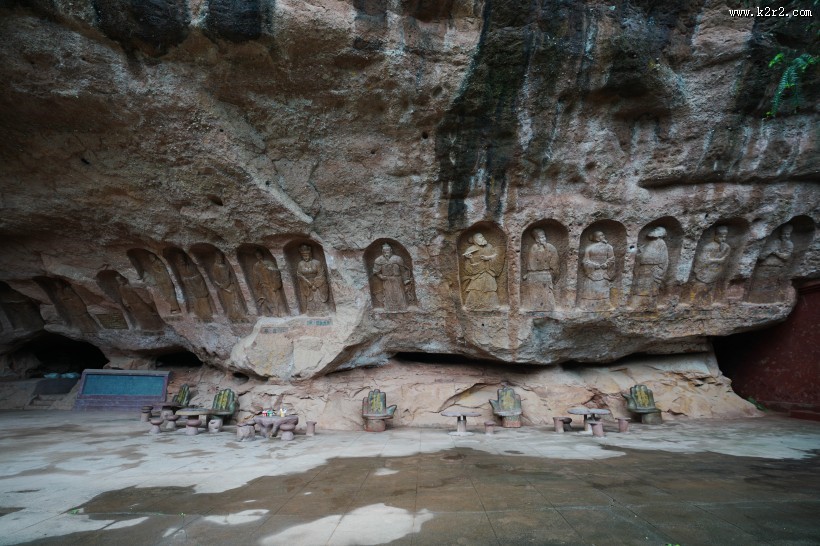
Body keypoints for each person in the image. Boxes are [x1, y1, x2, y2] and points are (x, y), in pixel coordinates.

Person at [748, 225, 794, 303]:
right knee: (758, 284)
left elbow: (786, 257)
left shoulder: (789, 244)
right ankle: (753, 300)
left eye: (787, 234)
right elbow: (762, 255)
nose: (785, 236)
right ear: (780, 234)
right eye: (784, 234)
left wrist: (775, 252)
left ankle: (767, 301)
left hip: (776, 267)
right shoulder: (775, 242)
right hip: (764, 266)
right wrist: (769, 252)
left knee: (771, 286)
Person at [629, 226, 668, 308]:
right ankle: (638, 303)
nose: (654, 230)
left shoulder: (661, 243)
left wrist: (660, 270)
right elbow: (642, 254)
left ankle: (649, 304)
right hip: (643, 268)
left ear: (661, 233)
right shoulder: (649, 243)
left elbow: (664, 259)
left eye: (656, 230)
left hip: (653, 269)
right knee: (640, 286)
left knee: (650, 288)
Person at [690, 226, 731, 305]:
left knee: (710, 289)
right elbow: (702, 260)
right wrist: (717, 260)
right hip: (705, 273)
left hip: (716, 272)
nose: (723, 239)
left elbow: (725, 259)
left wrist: (720, 261)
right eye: (720, 236)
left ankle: (706, 303)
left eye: (725, 236)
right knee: (700, 288)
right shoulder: (709, 246)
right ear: (715, 235)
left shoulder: (726, 247)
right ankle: (694, 302)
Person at [462, 232, 504, 309]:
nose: (482, 238)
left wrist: (488, 258)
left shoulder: (489, 247)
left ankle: (493, 305)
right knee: (475, 289)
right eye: (480, 237)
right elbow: (468, 267)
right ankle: (472, 305)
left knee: (490, 289)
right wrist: (470, 259)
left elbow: (497, 256)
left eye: (482, 236)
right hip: (478, 274)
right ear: (475, 240)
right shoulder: (470, 249)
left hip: (489, 272)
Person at [522, 229, 559, 310]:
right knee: (535, 296)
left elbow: (554, 265)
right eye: (541, 237)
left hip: (546, 275)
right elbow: (530, 265)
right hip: (534, 277)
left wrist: (554, 277)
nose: (544, 239)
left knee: (547, 297)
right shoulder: (533, 248)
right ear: (537, 239)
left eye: (544, 237)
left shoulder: (550, 248)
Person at [579, 231, 615, 310]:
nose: (603, 236)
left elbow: (611, 259)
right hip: (593, 272)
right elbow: (585, 261)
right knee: (591, 290)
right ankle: (588, 306)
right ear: (597, 238)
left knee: (603, 289)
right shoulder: (590, 248)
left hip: (602, 272)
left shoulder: (608, 247)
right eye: (601, 235)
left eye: (603, 235)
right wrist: (595, 265)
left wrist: (606, 264)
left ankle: (604, 305)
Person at [372, 243, 413, 311]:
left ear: (391, 250)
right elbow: (376, 271)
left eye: (388, 250)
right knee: (389, 294)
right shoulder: (379, 260)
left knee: (399, 293)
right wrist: (380, 276)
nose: (386, 252)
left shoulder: (398, 258)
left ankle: (402, 307)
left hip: (397, 279)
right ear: (382, 251)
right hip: (387, 280)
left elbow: (403, 270)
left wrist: (406, 279)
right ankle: (389, 308)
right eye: (384, 251)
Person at [251, 250, 288, 316]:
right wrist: (257, 286)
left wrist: (269, 268)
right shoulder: (256, 266)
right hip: (264, 285)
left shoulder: (268, 263)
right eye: (257, 256)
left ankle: (281, 311)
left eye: (260, 255)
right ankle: (273, 312)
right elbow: (255, 277)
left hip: (272, 284)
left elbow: (275, 272)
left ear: (262, 255)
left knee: (277, 297)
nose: (259, 257)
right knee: (268, 299)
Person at [296, 244, 330, 314]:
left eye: (307, 255)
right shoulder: (300, 264)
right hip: (306, 284)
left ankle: (322, 311)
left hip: (317, 283)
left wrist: (315, 284)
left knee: (317, 296)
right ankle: (310, 311)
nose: (305, 257)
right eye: (303, 256)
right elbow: (299, 274)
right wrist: (306, 282)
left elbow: (321, 274)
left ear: (310, 254)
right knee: (310, 299)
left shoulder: (317, 263)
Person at [210, 253, 245, 320]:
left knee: (234, 301)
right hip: (225, 287)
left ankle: (237, 315)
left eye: (221, 258)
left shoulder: (222, 266)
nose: (220, 260)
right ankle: (233, 316)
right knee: (230, 302)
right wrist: (222, 285)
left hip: (228, 286)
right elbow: (218, 278)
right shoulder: (217, 267)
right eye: (218, 258)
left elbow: (227, 277)